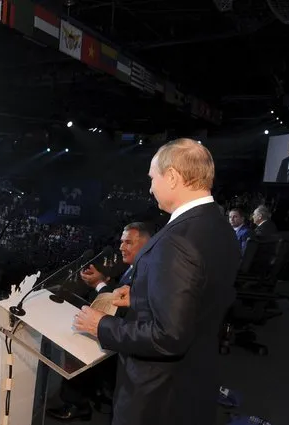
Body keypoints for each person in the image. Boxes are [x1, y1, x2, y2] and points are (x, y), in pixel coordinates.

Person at [74, 138, 241, 425]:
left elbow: (168, 336)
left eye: (153, 178)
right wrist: (141, 294)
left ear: (173, 177)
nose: (150, 187)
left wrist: (101, 325)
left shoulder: (176, 241)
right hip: (194, 380)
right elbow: (199, 297)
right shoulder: (221, 227)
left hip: (158, 396)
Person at [48, 223, 151, 422]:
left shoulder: (144, 274)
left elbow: (120, 306)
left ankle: (77, 404)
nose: (121, 247)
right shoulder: (134, 268)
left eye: (128, 242)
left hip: (124, 348)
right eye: (121, 242)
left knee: (79, 346)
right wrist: (101, 281)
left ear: (146, 246)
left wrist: (99, 284)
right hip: (118, 339)